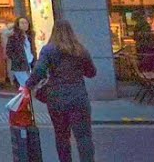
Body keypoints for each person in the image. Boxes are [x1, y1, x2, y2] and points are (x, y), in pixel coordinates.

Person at [26, 20, 96, 162]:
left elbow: (39, 70)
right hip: (78, 97)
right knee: (84, 137)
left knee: (62, 136)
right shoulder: (80, 50)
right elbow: (91, 72)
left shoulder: (48, 49)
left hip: (56, 99)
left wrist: (28, 86)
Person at [6, 16, 36, 88]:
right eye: (22, 23)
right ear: (18, 25)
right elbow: (9, 51)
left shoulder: (29, 36)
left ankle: (25, 98)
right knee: (26, 86)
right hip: (20, 66)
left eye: (26, 23)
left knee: (29, 86)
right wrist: (18, 59)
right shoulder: (13, 37)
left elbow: (32, 49)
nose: (24, 25)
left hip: (30, 63)